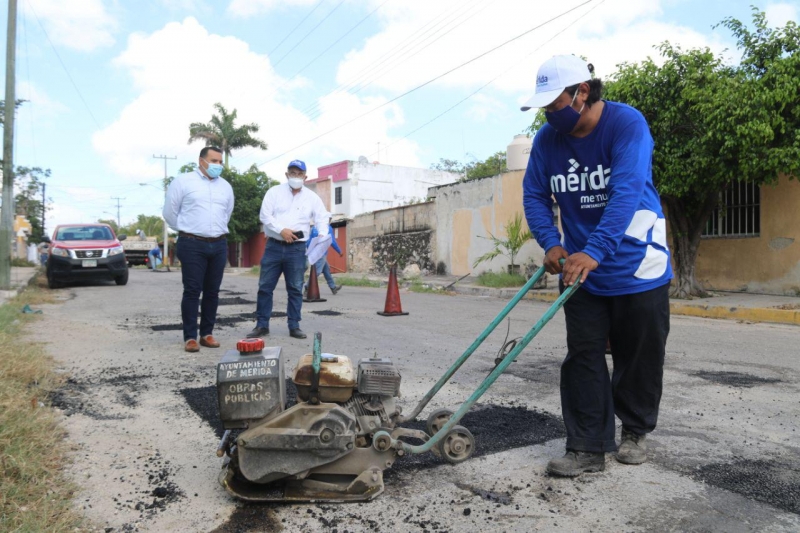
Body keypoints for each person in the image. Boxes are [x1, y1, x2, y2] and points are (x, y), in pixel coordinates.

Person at [520, 55, 672, 476]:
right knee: (583, 355)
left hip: (638, 264)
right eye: (545, 108)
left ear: (582, 93)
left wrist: (596, 249)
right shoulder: (547, 141)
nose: (549, 116)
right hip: (580, 270)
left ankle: (636, 430)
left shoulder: (626, 125)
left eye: (554, 105)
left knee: (638, 354)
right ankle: (587, 448)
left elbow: (626, 191)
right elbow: (534, 194)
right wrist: (551, 243)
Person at [247, 160, 330, 340]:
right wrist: (281, 230)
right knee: (265, 287)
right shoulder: (274, 192)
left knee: (295, 288)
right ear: (286, 175)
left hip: (297, 249)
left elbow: (322, 217)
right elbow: (265, 215)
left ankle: (294, 325)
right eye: (292, 173)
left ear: (305, 177)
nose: (296, 176)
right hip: (274, 246)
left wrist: (323, 234)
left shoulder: (312, 198)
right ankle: (262, 324)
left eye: (300, 174)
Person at [163, 146, 234, 353]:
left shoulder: (226, 187)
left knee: (212, 291)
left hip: (219, 243)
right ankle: (190, 337)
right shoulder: (183, 182)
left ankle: (207, 334)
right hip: (192, 243)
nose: (218, 165)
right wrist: (189, 229)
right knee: (193, 290)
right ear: (201, 161)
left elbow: (226, 214)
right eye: (214, 161)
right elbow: (169, 213)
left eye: (220, 162)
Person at [304, 221, 343, 295]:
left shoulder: (314, 228)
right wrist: (339, 251)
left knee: (326, 270)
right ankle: (307, 286)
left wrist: (310, 251)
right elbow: (332, 241)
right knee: (317, 271)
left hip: (315, 252)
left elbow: (309, 241)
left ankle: (333, 287)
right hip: (321, 253)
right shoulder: (327, 228)